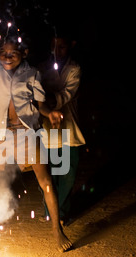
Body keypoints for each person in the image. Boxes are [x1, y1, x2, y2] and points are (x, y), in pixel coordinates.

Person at [0, 36, 73, 252]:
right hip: (0, 134)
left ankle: (56, 230)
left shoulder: (32, 74)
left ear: (24, 53)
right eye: (2, 52)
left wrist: (50, 113)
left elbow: (39, 106)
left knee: (45, 180)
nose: (7, 57)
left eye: (12, 53)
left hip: (27, 132)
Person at [39, 33, 86, 225]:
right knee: (49, 174)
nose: (57, 52)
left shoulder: (74, 69)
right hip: (47, 130)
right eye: (53, 47)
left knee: (67, 173)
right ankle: (50, 212)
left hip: (68, 129)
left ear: (71, 45)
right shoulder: (41, 69)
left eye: (62, 47)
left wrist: (45, 102)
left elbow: (67, 94)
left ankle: (62, 213)